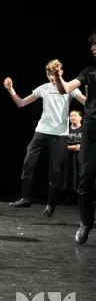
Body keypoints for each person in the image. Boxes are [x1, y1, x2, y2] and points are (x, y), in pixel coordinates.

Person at [4, 59, 85, 217]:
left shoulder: (70, 88)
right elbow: (21, 103)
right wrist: (10, 89)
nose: (52, 77)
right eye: (49, 74)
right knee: (28, 163)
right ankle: (25, 198)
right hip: (41, 132)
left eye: (55, 73)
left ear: (61, 72)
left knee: (55, 171)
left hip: (60, 135)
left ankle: (51, 205)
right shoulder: (43, 88)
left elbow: (85, 101)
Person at [52, 34, 96, 243]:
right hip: (92, 128)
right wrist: (57, 76)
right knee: (86, 176)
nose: (93, 48)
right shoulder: (89, 72)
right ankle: (86, 222)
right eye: (92, 46)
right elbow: (65, 89)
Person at [62, 110, 82, 206]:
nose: (72, 117)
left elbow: (88, 144)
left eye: (75, 115)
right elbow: (61, 146)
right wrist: (73, 147)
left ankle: (81, 198)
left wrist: (81, 147)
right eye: (71, 115)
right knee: (69, 177)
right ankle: (69, 197)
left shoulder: (84, 130)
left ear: (80, 118)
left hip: (81, 158)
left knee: (81, 175)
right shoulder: (66, 131)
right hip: (69, 158)